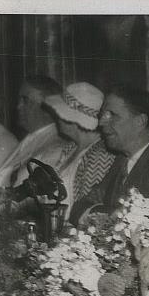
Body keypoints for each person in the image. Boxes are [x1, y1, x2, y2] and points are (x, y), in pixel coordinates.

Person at [71, 84, 149, 226]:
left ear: (140, 122)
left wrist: (96, 211)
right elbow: (78, 208)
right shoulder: (122, 160)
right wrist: (111, 212)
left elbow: (132, 225)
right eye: (103, 114)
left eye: (112, 115)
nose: (101, 122)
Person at [43, 82, 115, 219]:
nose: (56, 117)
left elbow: (88, 214)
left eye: (59, 112)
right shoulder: (71, 149)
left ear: (73, 119)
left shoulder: (100, 155)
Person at [0, 75, 70, 188]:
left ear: (47, 108)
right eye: (19, 100)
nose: (18, 106)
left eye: (25, 100)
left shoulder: (55, 146)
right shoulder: (30, 139)